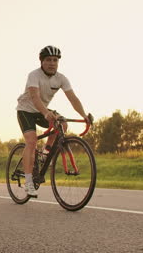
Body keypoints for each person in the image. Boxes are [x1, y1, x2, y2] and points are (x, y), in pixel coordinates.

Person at [16, 45, 91, 198]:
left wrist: (84, 116)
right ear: (42, 61)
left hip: (42, 110)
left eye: (55, 60)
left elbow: (73, 99)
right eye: (48, 60)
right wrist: (46, 113)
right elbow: (35, 97)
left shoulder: (61, 78)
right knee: (31, 140)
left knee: (62, 124)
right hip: (26, 110)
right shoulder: (34, 75)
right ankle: (29, 181)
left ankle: (45, 153)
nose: (52, 63)